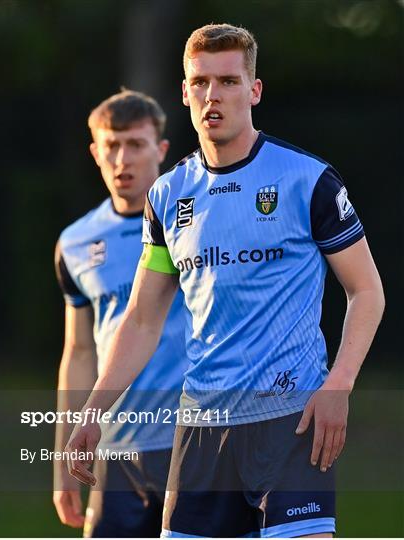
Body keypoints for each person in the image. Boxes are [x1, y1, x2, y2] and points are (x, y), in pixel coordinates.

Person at [65, 24, 385, 538]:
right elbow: (143, 320)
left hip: (291, 418)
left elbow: (366, 290)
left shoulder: (308, 180)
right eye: (201, 82)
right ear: (185, 92)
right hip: (201, 428)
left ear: (254, 90)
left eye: (229, 81)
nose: (214, 95)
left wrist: (338, 385)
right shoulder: (169, 197)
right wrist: (92, 411)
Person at [53, 89, 187, 537]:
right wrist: (63, 457)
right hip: (116, 450)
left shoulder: (195, 223)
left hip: (193, 440)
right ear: (95, 151)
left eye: (136, 144)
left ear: (161, 149)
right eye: (112, 145)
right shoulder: (75, 242)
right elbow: (78, 351)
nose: (122, 158)